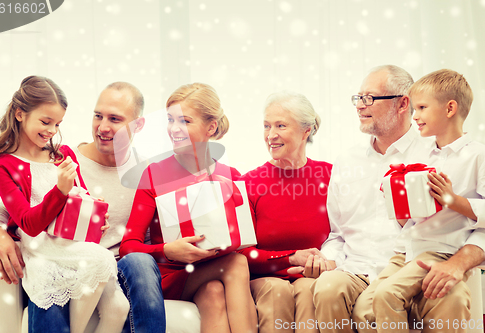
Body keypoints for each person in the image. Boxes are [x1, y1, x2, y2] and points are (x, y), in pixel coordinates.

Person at [310, 65, 485, 333]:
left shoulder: (432, 151)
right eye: (358, 98)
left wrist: (458, 263)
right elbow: (338, 234)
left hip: (423, 259)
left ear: (402, 104)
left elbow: (466, 219)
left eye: (368, 98)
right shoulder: (347, 161)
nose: (359, 106)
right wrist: (328, 260)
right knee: (330, 289)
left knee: (451, 296)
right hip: (362, 268)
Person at [0, 81, 166, 333]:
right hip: (56, 252)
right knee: (49, 276)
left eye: (114, 119)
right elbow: (11, 209)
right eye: (98, 116)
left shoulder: (148, 173)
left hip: (115, 265)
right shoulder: (68, 157)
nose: (103, 127)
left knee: (135, 271)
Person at [120, 82, 258, 333]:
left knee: (214, 292)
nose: (174, 129)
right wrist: (168, 251)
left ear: (211, 127)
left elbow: (245, 243)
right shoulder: (154, 174)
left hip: (207, 275)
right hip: (168, 275)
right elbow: (128, 246)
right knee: (236, 264)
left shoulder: (231, 177)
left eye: (184, 121)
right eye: (170, 120)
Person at [238, 91, 332, 333]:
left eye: (281, 125)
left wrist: (327, 264)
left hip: (313, 277)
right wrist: (290, 258)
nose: (271, 135)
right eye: (267, 126)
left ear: (306, 131)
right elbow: (242, 255)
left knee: (308, 288)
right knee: (276, 290)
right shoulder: (248, 183)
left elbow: (348, 236)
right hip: (267, 280)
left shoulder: (331, 176)